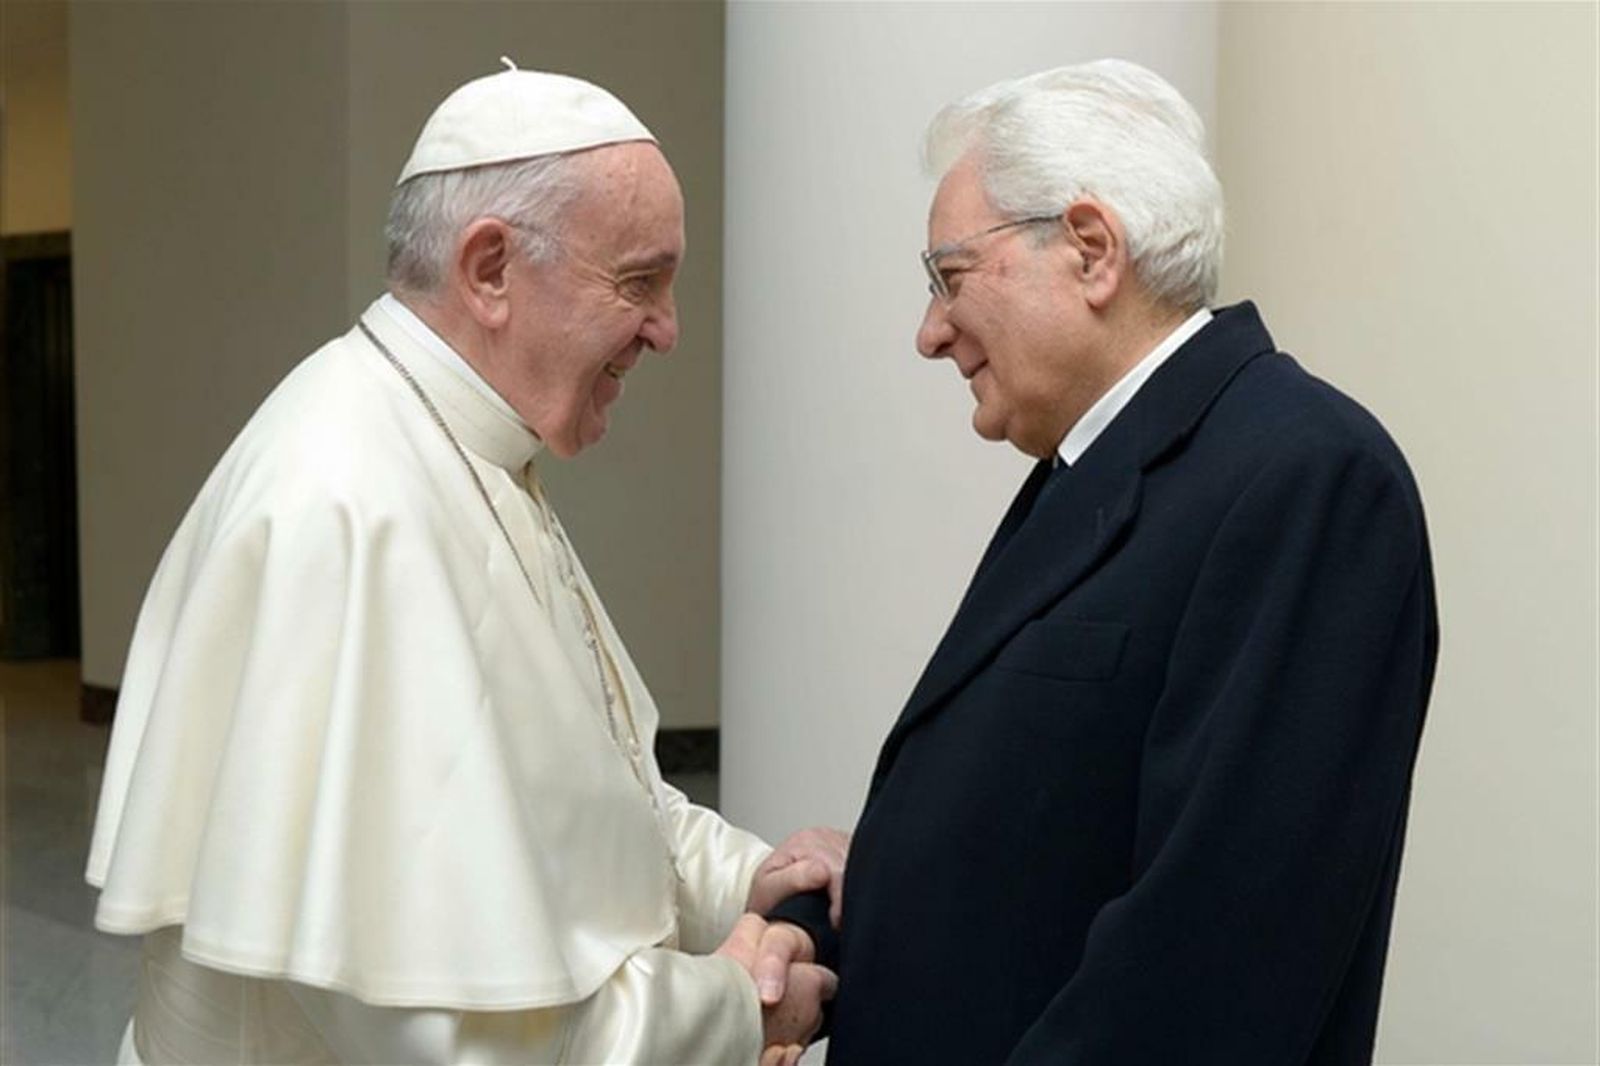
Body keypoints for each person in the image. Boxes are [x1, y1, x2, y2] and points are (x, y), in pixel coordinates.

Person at [86, 62, 843, 1066]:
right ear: (489, 270)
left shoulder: (462, 451)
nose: (668, 330)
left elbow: (587, 796)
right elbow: (448, 1032)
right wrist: (737, 1007)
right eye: (639, 282)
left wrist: (746, 880)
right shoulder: (353, 506)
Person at [778, 59, 1438, 1064]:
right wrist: (838, 909)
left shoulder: (1306, 476)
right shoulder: (1093, 466)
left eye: (949, 277)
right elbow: (1044, 851)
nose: (930, 333)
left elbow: (1215, 955)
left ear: (1090, 249)